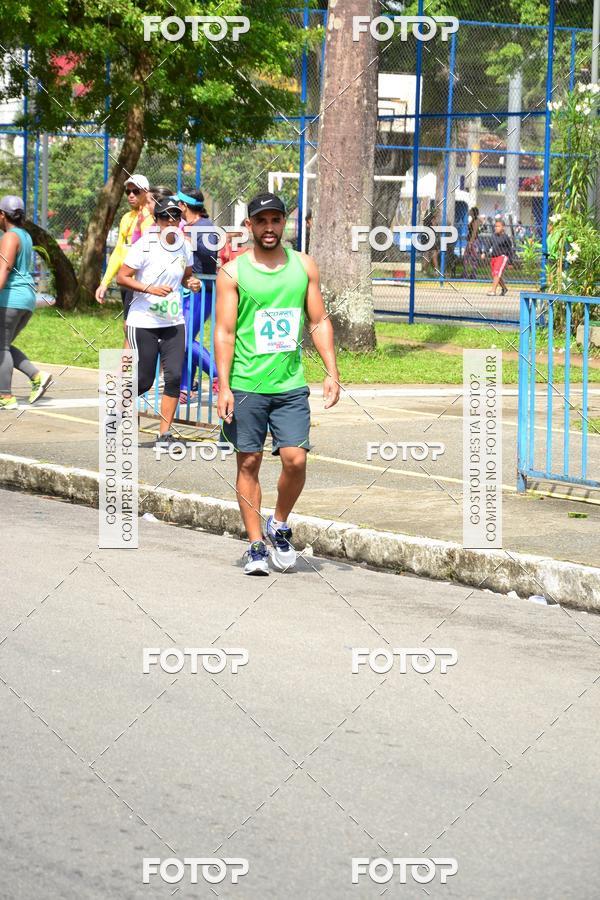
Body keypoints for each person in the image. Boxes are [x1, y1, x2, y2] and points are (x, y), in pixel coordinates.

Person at [215, 192, 340, 576]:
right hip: (247, 383)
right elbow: (224, 331)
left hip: (289, 384)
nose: (269, 228)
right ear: (249, 226)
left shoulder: (304, 266)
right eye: (262, 221)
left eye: (276, 220)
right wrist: (224, 385)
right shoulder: (233, 272)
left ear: (285, 223)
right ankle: (255, 546)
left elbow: (318, 321)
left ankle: (279, 522)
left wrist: (331, 371)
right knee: (248, 461)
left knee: (295, 459)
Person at [116, 198, 200, 448]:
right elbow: (123, 277)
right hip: (144, 321)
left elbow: (187, 277)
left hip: (174, 320)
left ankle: (164, 433)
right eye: (165, 217)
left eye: (176, 216)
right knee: (143, 380)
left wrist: (192, 283)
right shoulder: (145, 245)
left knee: (174, 377)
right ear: (157, 221)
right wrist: (149, 288)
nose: (171, 221)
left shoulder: (185, 246)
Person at [0, 196, 52, 410]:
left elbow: (4, 268)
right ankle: (37, 375)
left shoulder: (10, 237)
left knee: (1, 348)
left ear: (2, 215)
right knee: (4, 345)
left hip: (10, 297)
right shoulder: (25, 235)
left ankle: (6, 396)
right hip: (26, 299)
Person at [176, 189, 220, 402]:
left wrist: (188, 239)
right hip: (187, 289)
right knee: (183, 339)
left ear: (184, 206)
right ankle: (184, 387)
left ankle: (218, 373)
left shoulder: (204, 227)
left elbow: (211, 253)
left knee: (182, 339)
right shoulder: (190, 227)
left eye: (178, 204)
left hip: (202, 290)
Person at [95, 174, 154, 330]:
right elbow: (119, 252)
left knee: (136, 327)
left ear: (146, 192)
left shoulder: (151, 218)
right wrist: (104, 282)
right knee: (128, 327)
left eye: (136, 191)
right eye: (128, 192)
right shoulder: (126, 218)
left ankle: (135, 355)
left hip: (142, 282)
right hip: (126, 280)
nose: (131, 195)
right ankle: (130, 355)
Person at [486, 218, 514, 296]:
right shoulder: (493, 236)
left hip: (502, 257)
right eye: (496, 226)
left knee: (497, 273)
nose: (496, 228)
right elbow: (488, 245)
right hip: (494, 257)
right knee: (496, 275)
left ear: (503, 227)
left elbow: (510, 250)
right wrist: (484, 252)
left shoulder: (506, 237)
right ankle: (504, 288)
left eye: (498, 226)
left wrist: (510, 262)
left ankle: (493, 291)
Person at [462, 206, 480, 279]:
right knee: (465, 257)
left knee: (473, 258)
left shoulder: (476, 221)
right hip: (470, 241)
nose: (469, 211)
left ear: (473, 212)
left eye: (471, 211)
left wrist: (470, 243)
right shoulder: (472, 220)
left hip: (473, 241)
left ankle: (473, 274)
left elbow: (474, 232)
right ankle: (465, 273)